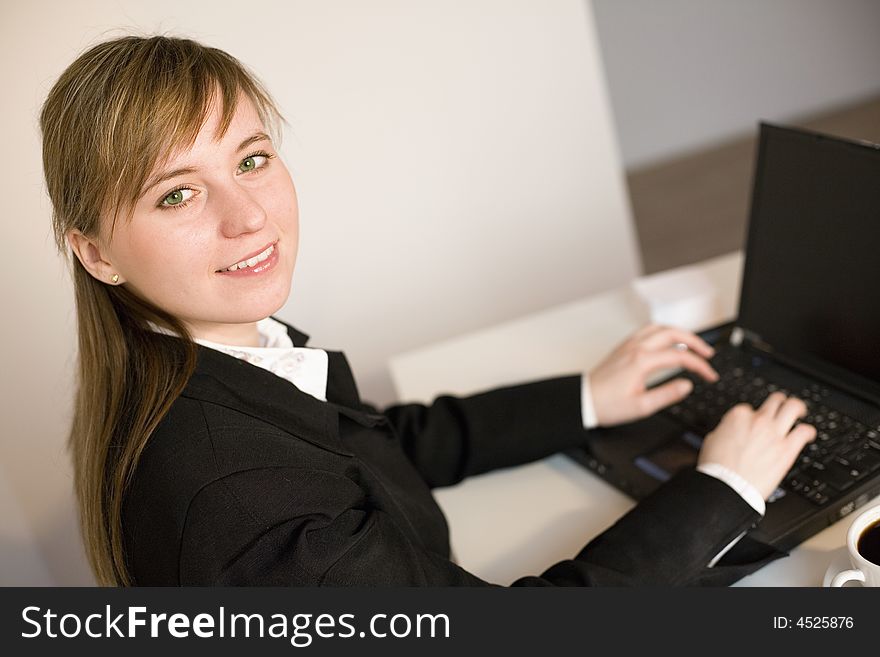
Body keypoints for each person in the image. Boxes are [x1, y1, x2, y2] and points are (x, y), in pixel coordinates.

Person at [40, 34, 816, 587]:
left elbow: (379, 446)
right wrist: (721, 490)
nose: (248, 217)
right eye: (178, 193)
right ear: (97, 252)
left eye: (251, 159)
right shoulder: (245, 506)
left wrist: (586, 397)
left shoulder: (209, 356)